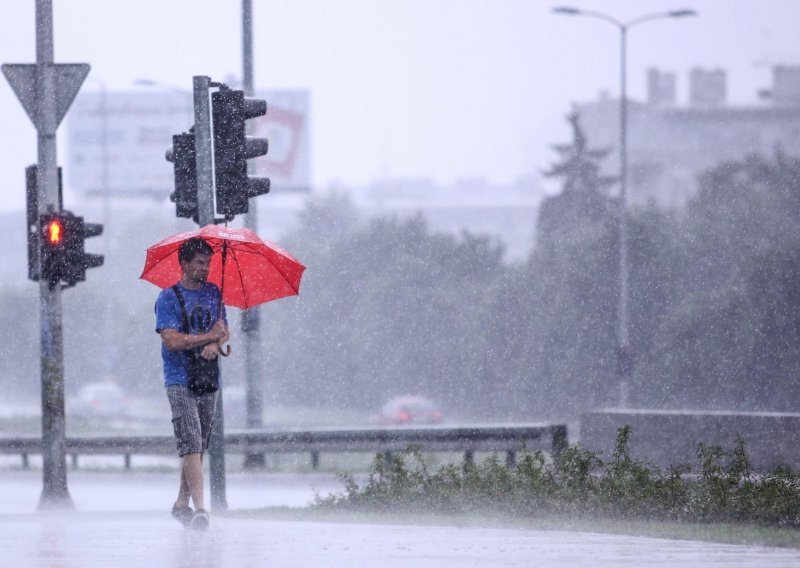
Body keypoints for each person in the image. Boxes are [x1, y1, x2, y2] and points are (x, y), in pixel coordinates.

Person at [154, 237, 229, 530]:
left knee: (198, 445)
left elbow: (223, 331)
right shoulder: (168, 298)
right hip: (179, 379)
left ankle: (180, 503)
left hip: (209, 377)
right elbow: (171, 340)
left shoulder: (214, 293)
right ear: (184, 264)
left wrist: (217, 341)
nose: (205, 268)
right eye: (200, 262)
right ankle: (200, 509)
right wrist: (206, 338)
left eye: (208, 262)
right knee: (190, 442)